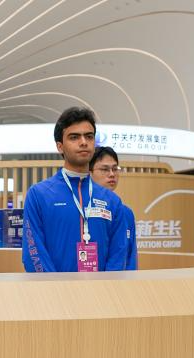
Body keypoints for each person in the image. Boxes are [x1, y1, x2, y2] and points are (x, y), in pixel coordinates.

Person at [22, 107, 128, 272]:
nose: (83, 142)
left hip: (102, 287)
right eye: (74, 137)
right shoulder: (39, 195)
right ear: (60, 146)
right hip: (53, 287)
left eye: (89, 136)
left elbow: (119, 253)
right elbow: (33, 252)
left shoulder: (112, 201)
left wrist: (106, 284)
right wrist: (54, 285)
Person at [89, 147, 137, 270]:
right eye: (105, 169)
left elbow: (131, 257)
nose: (112, 174)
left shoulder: (126, 212)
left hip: (119, 279)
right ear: (89, 172)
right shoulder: (81, 207)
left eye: (115, 169)